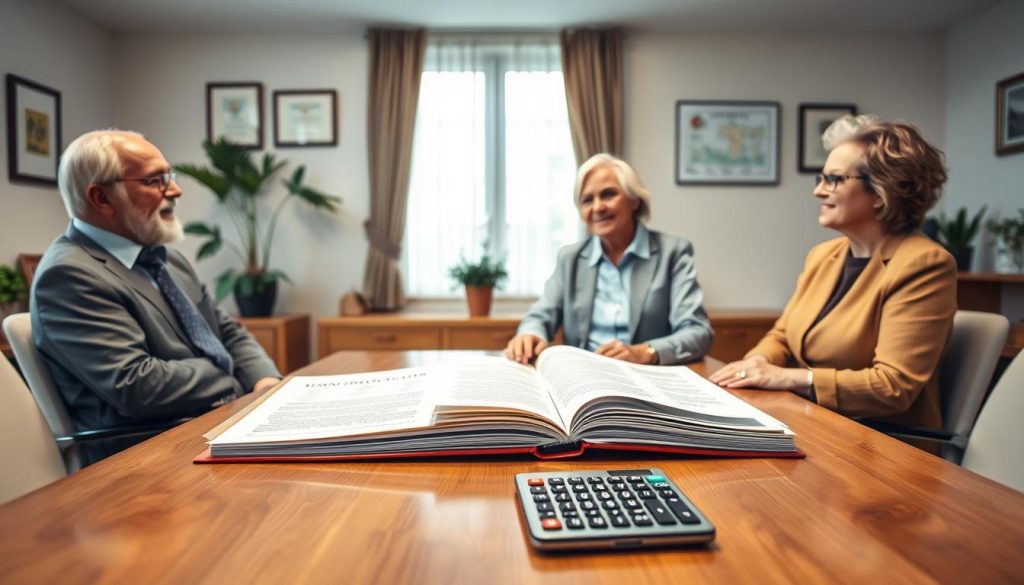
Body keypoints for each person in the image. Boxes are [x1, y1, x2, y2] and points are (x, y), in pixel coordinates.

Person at [31, 130, 281, 464]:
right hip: (145, 459)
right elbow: (137, 385)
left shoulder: (165, 258)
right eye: (155, 181)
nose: (175, 191)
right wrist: (229, 373)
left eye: (170, 177)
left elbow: (225, 329)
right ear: (102, 198)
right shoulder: (67, 276)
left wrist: (264, 381)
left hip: (209, 428)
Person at [709, 117, 956, 430]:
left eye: (834, 179)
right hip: (812, 421)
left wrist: (786, 377)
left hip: (880, 445)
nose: (818, 191)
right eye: (820, 178)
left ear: (882, 191)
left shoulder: (924, 264)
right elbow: (783, 336)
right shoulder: (823, 255)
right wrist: (759, 362)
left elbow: (893, 386)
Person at [505, 153, 713, 366]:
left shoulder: (673, 253)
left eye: (608, 195)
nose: (597, 207)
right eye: (587, 200)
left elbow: (697, 332)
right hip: (583, 378)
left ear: (634, 201)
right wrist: (530, 334)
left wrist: (644, 352)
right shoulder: (570, 258)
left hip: (646, 377)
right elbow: (540, 315)